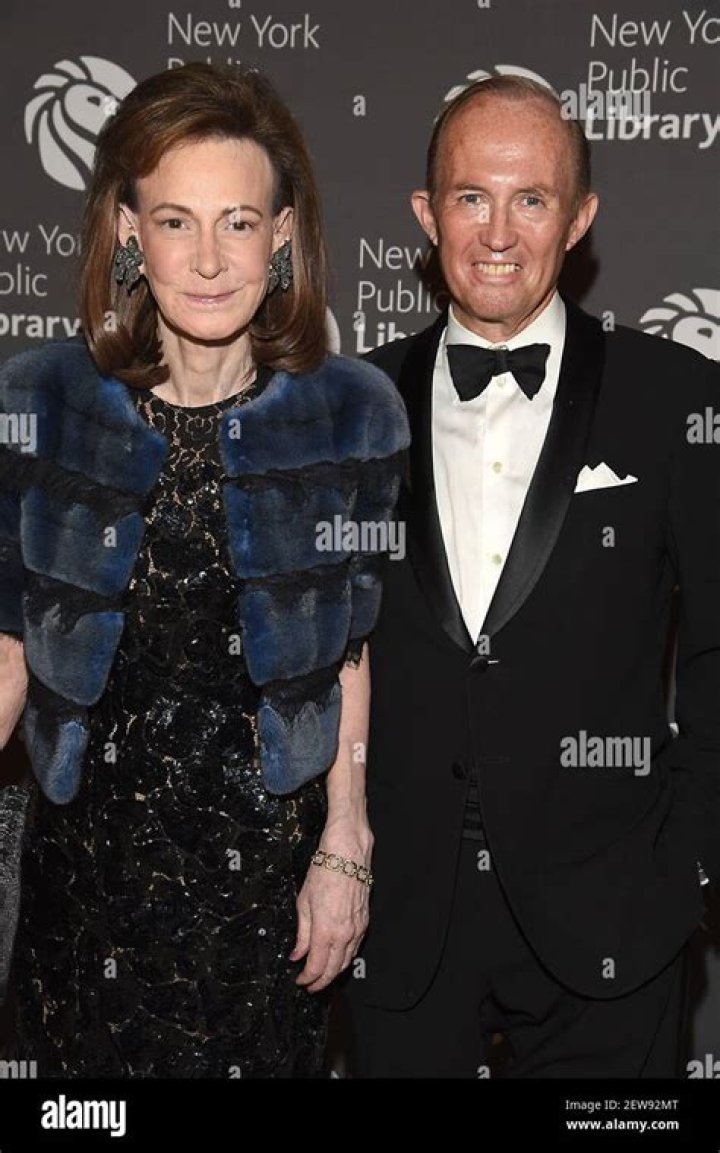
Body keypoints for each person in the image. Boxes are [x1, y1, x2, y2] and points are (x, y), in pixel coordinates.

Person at [0, 62, 409, 1078]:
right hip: (84, 887)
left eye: (239, 222)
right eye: (176, 222)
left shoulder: (349, 415)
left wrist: (346, 841)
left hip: (265, 899)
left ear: (283, 234)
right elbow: (8, 646)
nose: (211, 259)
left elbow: (348, 654)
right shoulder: (43, 402)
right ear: (128, 230)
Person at [344, 75, 720, 1078]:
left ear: (580, 217)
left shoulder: (676, 398)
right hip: (400, 909)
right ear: (427, 214)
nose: (499, 233)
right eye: (472, 197)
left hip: (615, 911)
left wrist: (689, 862)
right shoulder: (351, 405)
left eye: (532, 200)